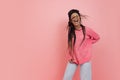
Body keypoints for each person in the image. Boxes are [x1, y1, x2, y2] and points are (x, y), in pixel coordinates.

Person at [63, 9, 100, 80]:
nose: (75, 18)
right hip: (74, 58)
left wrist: (89, 42)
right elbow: (70, 45)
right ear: (71, 21)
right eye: (73, 17)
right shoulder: (71, 32)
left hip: (85, 58)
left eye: (76, 16)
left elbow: (97, 37)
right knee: (66, 78)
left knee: (86, 79)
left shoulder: (87, 30)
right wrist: (69, 56)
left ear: (79, 17)